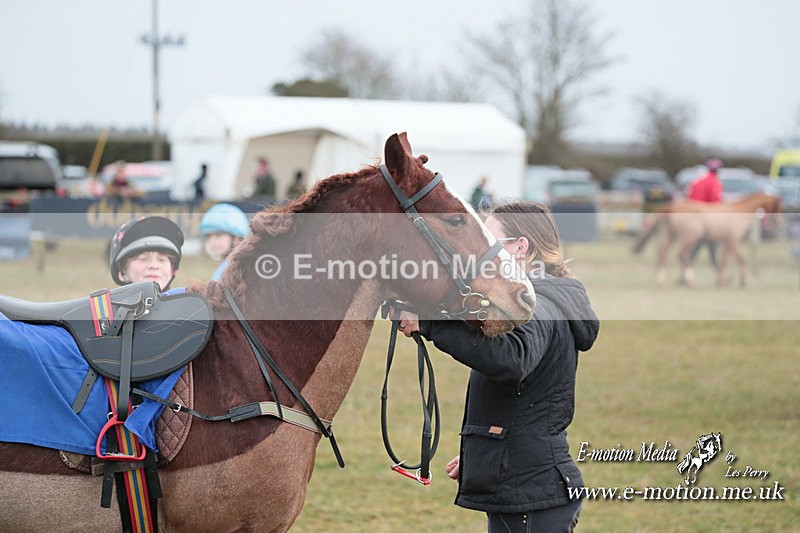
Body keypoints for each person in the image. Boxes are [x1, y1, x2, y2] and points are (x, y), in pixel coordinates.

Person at [397, 201, 599, 533]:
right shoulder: (542, 301)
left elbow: (514, 359)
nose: (482, 255)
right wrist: (487, 455)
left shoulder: (542, 303)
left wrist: (431, 325)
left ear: (520, 248)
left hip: (533, 494)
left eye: (491, 244)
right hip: (530, 485)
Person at [109, 216, 184, 292]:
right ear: (122, 270)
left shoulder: (189, 302)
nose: (154, 266)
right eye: (143, 259)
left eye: (162, 260)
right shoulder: (103, 303)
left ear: (172, 270)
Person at [198, 203, 249, 281]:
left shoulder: (237, 272)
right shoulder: (224, 267)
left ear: (237, 239)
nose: (212, 241)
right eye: (209, 236)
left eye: (218, 235)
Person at [687, 157, 723, 267]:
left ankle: (686, 270)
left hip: (694, 217)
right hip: (707, 220)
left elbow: (690, 197)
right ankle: (718, 272)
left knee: (699, 245)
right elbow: (715, 202)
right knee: (710, 245)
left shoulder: (697, 181)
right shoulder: (715, 182)